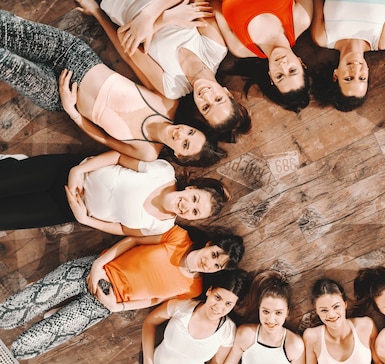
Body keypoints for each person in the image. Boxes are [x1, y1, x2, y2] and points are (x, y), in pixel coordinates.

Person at [0, 9, 223, 165]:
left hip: (59, 95)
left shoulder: (147, 153)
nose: (182, 134)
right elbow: (130, 59)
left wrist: (72, 111)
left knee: (6, 64)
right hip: (73, 54)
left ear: (179, 155)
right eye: (191, 132)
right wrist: (97, 12)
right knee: (6, 27)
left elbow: (104, 139)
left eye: (185, 143)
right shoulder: (168, 100)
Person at [0, 225, 244, 360]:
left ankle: (9, 358)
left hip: (109, 302)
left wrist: (118, 307)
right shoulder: (178, 236)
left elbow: (156, 299)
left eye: (217, 265)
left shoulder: (195, 288)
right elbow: (133, 241)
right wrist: (97, 266)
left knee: (38, 340)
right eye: (213, 256)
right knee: (25, 304)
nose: (209, 264)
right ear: (210, 245)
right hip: (95, 270)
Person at [81, 0, 251, 144]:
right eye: (218, 99)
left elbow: (126, 41)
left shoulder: (172, 88)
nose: (206, 96)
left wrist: (165, 19)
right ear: (227, 93)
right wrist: (148, 22)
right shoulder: (216, 49)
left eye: (206, 107)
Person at [0, 151, 229, 236]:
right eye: (195, 199)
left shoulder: (161, 227)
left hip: (67, 208)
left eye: (195, 212)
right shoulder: (163, 172)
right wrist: (79, 170)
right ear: (191, 188)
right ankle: (12, 165)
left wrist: (84, 219)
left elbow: (120, 229)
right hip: (68, 172)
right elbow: (118, 158)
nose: (188, 206)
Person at [124, 268, 250, 364]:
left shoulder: (228, 331)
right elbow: (150, 322)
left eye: (228, 304)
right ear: (209, 290)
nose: (219, 307)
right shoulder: (182, 306)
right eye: (217, 297)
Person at [210, 271, 305, 364]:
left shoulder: (294, 344)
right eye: (265, 311)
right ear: (259, 309)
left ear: (287, 312)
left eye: (278, 313)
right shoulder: (246, 334)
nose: (271, 319)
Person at [303, 278, 385, 364]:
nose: (331, 315)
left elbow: (380, 363)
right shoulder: (312, 337)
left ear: (345, 303)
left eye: (336, 306)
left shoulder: (365, 325)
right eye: (323, 310)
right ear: (316, 311)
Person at [212, 0, 314, 112]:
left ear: (271, 76)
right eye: (292, 70)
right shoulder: (302, 19)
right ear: (301, 63)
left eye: (279, 76)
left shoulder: (240, 48)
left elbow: (214, 5)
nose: (282, 65)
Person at [310, 0, 385, 111]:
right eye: (362, 78)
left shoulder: (322, 37)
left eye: (348, 78)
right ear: (368, 73)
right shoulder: (383, 39)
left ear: (336, 75)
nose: (355, 71)